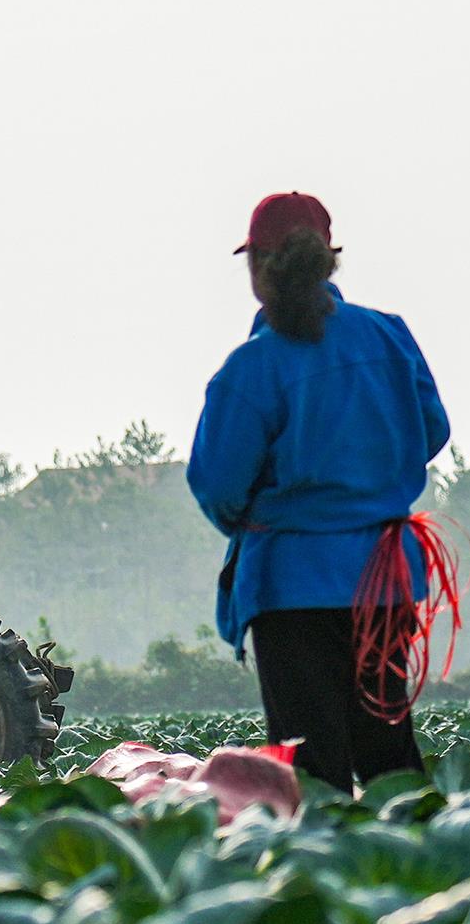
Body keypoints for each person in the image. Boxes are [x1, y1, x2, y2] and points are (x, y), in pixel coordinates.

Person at [183, 192, 455, 792]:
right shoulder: (389, 338)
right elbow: (432, 431)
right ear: (329, 260)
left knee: (314, 769)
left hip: (291, 586)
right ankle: (412, 861)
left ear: (257, 268)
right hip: (385, 579)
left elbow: (217, 485)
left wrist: (267, 513)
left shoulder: (250, 368)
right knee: (388, 751)